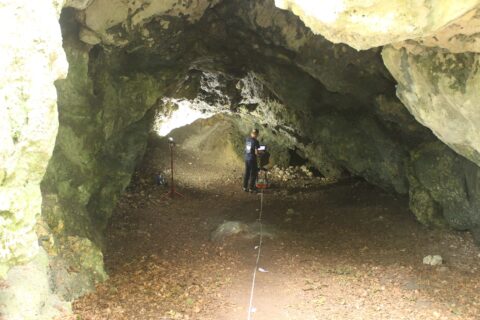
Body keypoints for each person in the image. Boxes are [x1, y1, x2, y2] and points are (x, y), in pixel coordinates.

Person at [243, 128, 260, 193]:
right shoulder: (256, 141)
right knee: (253, 174)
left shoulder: (247, 139)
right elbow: (256, 153)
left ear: (251, 133)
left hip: (246, 158)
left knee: (247, 173)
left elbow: (247, 150)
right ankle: (251, 188)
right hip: (252, 159)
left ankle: (244, 187)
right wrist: (260, 154)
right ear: (257, 134)